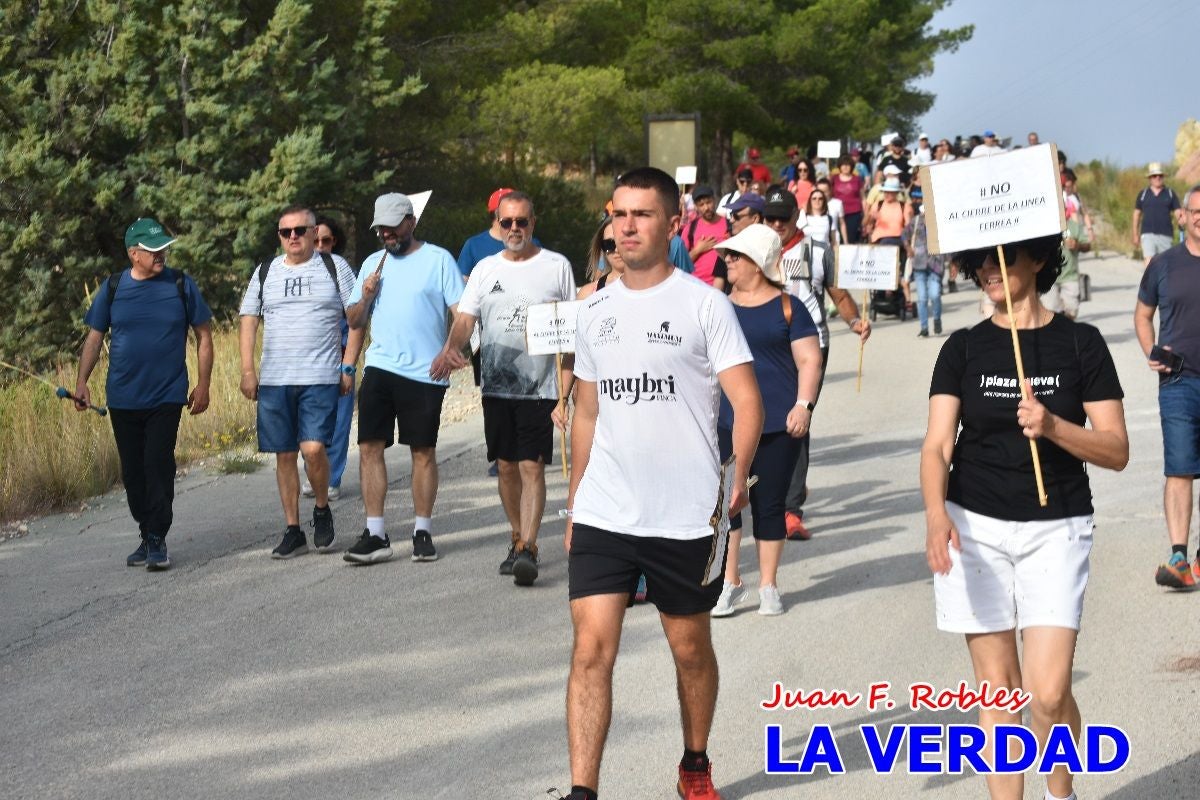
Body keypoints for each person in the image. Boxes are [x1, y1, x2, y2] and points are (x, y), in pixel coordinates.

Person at [560, 167, 763, 800]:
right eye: (618, 214)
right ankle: (582, 790)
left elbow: (747, 401)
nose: (626, 226)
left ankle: (694, 762)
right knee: (591, 650)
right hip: (605, 511)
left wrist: (739, 474)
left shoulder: (705, 304)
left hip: (686, 514)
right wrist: (574, 502)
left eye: (641, 214)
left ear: (671, 224)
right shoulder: (592, 313)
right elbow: (588, 413)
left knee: (690, 650)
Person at [922, 234, 1128, 800]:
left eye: (1003, 259)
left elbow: (1116, 450)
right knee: (998, 694)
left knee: (1047, 691)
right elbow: (937, 445)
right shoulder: (962, 349)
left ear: (1038, 260)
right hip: (975, 526)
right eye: (979, 262)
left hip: (1057, 526)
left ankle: (1059, 788)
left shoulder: (1081, 344)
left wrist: (1054, 426)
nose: (989, 270)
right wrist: (936, 513)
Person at [431, 191, 576, 586]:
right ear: (497, 222)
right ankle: (517, 535)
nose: (515, 229)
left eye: (522, 222)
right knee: (507, 467)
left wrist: (567, 386)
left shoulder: (556, 266)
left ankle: (529, 546)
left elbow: (570, 330)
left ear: (534, 222)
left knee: (531, 465)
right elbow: (465, 319)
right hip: (496, 386)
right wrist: (450, 350)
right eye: (507, 222)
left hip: (540, 386)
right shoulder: (484, 269)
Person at [75, 217, 213, 570]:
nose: (161, 254)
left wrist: (203, 384)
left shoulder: (181, 284)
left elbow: (204, 336)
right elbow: (93, 339)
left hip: (167, 395)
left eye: (164, 247)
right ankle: (146, 530)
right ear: (133, 253)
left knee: (157, 463)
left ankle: (157, 538)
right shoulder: (114, 287)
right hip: (122, 396)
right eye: (153, 250)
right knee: (133, 473)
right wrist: (81, 382)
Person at [342, 192, 464, 565]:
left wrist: (449, 351)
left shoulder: (438, 259)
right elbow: (354, 321)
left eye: (393, 228)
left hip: (425, 373)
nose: (387, 235)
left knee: (422, 451)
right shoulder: (372, 264)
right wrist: (365, 298)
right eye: (381, 229)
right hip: (380, 366)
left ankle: (422, 530)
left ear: (411, 222)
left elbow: (462, 314)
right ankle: (376, 533)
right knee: (369, 447)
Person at [710, 224, 821, 617]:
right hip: (727, 421)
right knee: (728, 504)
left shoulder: (790, 306)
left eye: (734, 256)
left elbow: (809, 359)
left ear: (757, 263)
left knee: (769, 504)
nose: (726, 261)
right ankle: (729, 582)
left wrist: (803, 405)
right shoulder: (716, 304)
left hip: (778, 424)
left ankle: (768, 585)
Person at [239, 206, 360, 559]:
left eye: (300, 230)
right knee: (284, 454)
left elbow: (356, 319)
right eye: (285, 232)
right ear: (279, 236)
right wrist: (248, 370)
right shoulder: (266, 272)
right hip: (276, 380)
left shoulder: (334, 267)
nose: (293, 236)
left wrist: (348, 366)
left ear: (312, 232)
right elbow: (249, 319)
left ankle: (321, 509)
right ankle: (293, 530)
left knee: (313, 449)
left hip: (320, 377)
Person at [764, 187, 871, 540]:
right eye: (771, 217)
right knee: (766, 422)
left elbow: (837, 294)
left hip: (811, 348)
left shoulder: (818, 251)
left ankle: (791, 510)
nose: (777, 223)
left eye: (783, 216)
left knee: (797, 421)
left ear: (797, 216)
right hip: (768, 347)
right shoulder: (755, 250)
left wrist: (855, 322)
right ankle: (775, 492)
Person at [1135, 184, 1200, 589]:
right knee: (1179, 468)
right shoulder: (1162, 264)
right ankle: (1179, 557)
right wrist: (1151, 349)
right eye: (1196, 211)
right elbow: (1142, 316)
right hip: (1177, 381)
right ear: (1184, 216)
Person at [301, 216, 356, 501]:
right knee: (309, 422)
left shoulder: (342, 270)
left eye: (327, 241)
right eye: (316, 239)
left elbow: (357, 318)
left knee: (338, 421)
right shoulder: (298, 270)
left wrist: (348, 363)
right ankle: (315, 473)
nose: (321, 246)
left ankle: (331, 478)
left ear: (335, 242)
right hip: (307, 359)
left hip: (340, 353)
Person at [903, 193, 947, 337]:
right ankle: (924, 327)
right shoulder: (915, 222)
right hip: (919, 263)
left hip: (936, 264)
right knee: (922, 298)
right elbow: (904, 235)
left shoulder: (940, 223)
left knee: (935, 295)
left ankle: (937, 319)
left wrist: (953, 262)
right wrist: (908, 248)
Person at [1044, 196, 1092, 320]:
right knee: (1050, 312)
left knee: (1072, 312)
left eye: (1061, 208)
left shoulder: (1074, 226)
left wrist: (1077, 245)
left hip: (1070, 276)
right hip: (1050, 277)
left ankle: (1066, 333)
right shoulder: (1045, 226)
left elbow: (1087, 246)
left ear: (1065, 209)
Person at [1132, 163, 1182, 268]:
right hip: (1147, 234)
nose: (1157, 178)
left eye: (1160, 175)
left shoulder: (1170, 193)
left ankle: (1162, 284)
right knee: (1149, 261)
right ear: (1150, 178)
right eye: (1154, 176)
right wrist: (1135, 234)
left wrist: (1183, 222)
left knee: (1165, 265)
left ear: (1163, 177)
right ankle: (1149, 284)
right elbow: (1136, 214)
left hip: (1166, 235)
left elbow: (1178, 212)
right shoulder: (1143, 194)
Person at [682, 184, 730, 289]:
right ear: (695, 206)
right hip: (694, 287)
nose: (706, 208)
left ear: (714, 200)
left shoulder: (729, 225)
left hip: (723, 288)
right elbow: (681, 265)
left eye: (709, 202)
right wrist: (698, 250)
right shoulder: (690, 229)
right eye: (701, 204)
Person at [831, 155, 866, 242]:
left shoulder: (857, 179)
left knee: (850, 238)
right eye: (843, 165)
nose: (845, 167)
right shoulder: (834, 178)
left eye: (848, 165)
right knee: (837, 238)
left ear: (852, 166)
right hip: (837, 212)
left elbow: (863, 198)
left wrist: (865, 215)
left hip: (854, 213)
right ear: (840, 166)